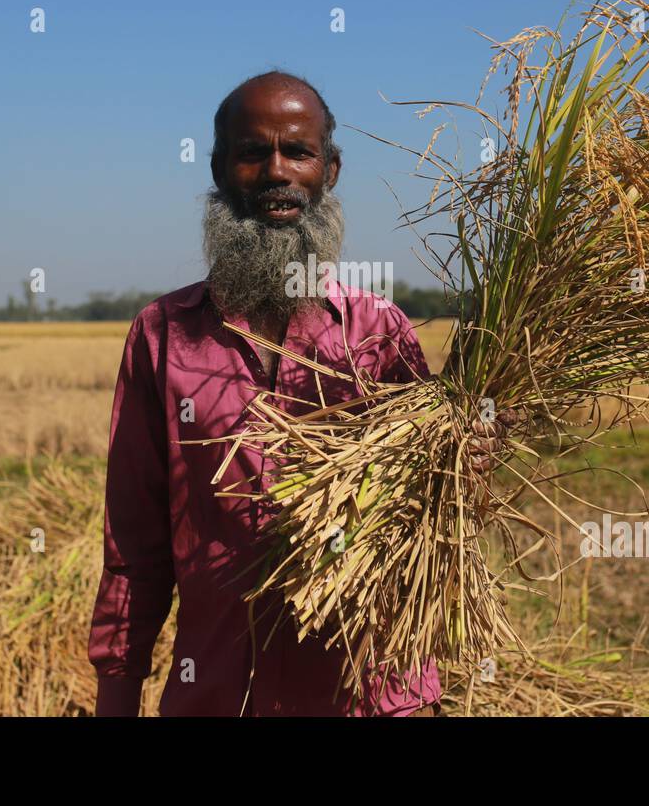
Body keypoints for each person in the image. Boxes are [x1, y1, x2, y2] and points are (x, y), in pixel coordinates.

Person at [89, 71, 503, 716]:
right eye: (252, 152)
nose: (276, 170)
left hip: (367, 693)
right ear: (220, 170)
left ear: (329, 171)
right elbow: (134, 546)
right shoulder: (161, 336)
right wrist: (117, 695)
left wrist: (467, 469)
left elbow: (440, 523)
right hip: (220, 695)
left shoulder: (379, 335)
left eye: (298, 152)